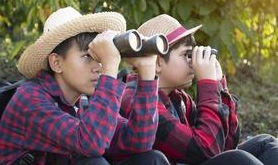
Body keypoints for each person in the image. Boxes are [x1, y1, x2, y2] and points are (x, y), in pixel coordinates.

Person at [0, 7, 169, 165]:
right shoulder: (30, 98)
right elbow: (91, 145)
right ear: (57, 63)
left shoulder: (83, 102)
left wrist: (147, 70)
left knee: (152, 159)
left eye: (99, 57)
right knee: (93, 162)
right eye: (87, 57)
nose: (98, 66)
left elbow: (139, 142)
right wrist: (110, 65)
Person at [119, 14, 278, 165]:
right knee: (238, 159)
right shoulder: (138, 99)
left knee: (265, 144)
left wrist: (218, 85)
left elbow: (225, 145)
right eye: (187, 54)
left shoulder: (178, 98)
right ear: (158, 63)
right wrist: (208, 85)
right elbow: (205, 149)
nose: (192, 62)